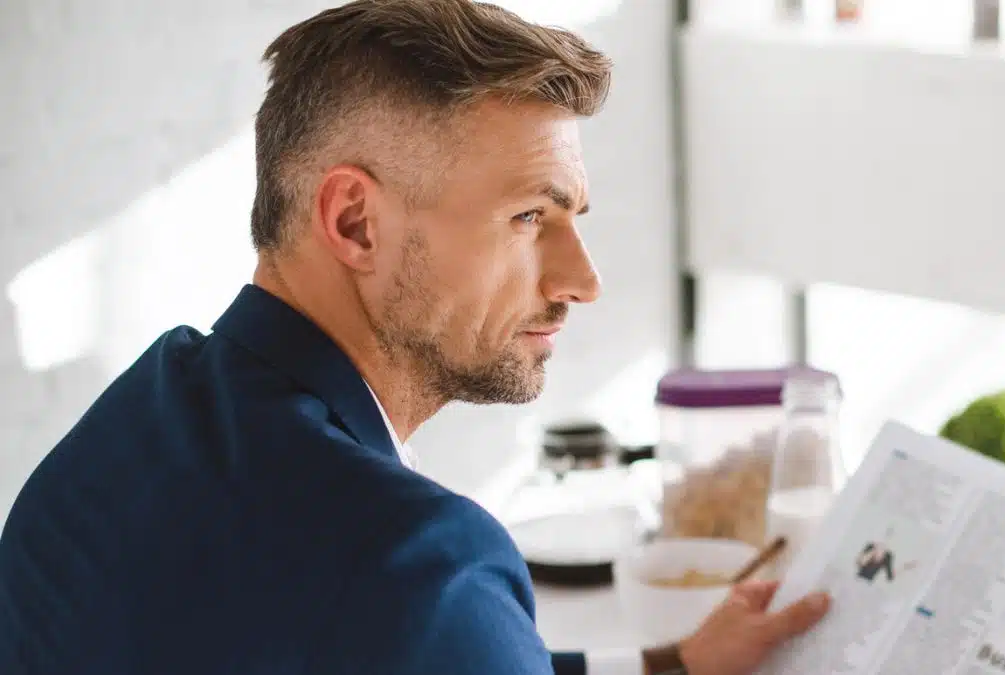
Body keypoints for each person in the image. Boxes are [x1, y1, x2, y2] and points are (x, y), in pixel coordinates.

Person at [0, 1, 831, 674]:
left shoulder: (141, 414)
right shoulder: (420, 565)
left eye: (571, 217)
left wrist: (674, 664)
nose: (582, 280)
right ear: (356, 222)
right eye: (528, 217)